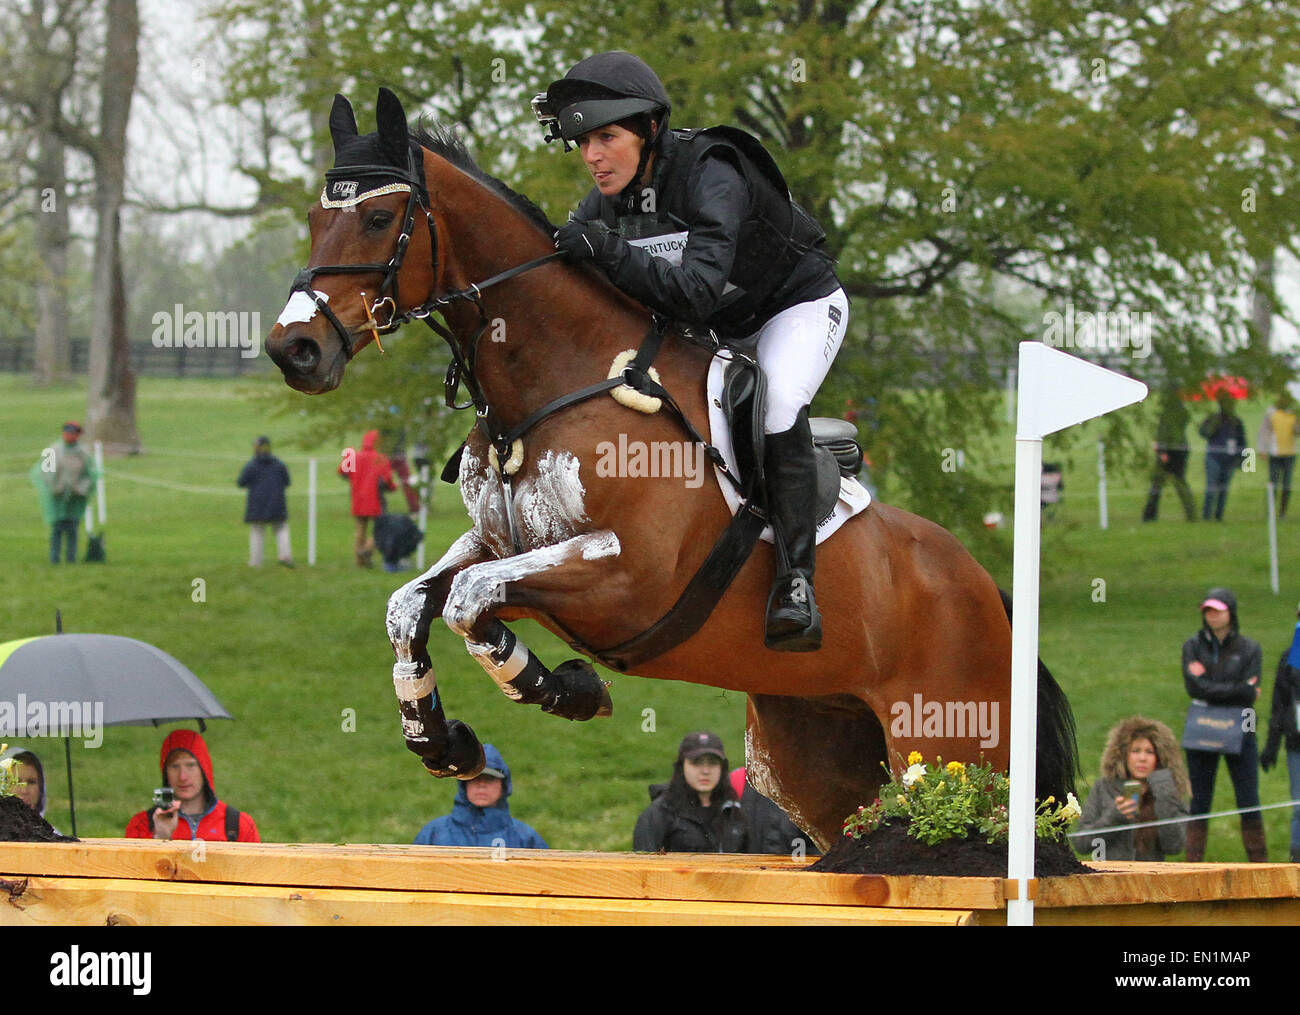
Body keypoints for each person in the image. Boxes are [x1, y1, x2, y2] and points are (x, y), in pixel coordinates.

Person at [539, 51, 847, 651]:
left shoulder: (712, 172)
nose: (593, 157)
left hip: (794, 309)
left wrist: (606, 251)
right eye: (583, 143)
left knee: (777, 402)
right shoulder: (605, 205)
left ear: (651, 130)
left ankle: (795, 584)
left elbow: (699, 295)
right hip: (718, 329)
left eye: (607, 137)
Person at [1181, 588, 1266, 861]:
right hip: (1201, 728)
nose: (1211, 615)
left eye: (1217, 610)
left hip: (1241, 728)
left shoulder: (1250, 648)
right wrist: (1238, 688)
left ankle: (1259, 864)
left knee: (1248, 797)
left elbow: (1249, 691)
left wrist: (1211, 685)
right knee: (1199, 800)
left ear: (1231, 612)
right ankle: (1192, 864)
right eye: (1207, 610)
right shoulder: (1191, 646)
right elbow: (1193, 687)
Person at [1072, 717, 1190, 861]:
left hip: (1149, 879)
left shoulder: (1170, 791)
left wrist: (1165, 800)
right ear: (1123, 755)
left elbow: (1174, 847)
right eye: (1135, 751)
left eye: (1150, 752)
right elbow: (1081, 844)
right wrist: (1114, 817)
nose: (1142, 758)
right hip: (1108, 878)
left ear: (1160, 757)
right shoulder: (1103, 787)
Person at [124, 729, 260, 842]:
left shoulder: (238, 825)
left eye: (191, 765)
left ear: (204, 769)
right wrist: (161, 837)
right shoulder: (141, 825)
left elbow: (256, 873)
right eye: (174, 767)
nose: (183, 776)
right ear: (165, 772)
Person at [413, 743, 547, 848]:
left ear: (504, 786)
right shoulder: (434, 833)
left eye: (490, 779)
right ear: (463, 785)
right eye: (474, 779)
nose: (481, 785)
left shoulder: (524, 838)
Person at [633, 731, 748, 853]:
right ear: (681, 766)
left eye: (713, 763)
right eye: (696, 763)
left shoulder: (733, 810)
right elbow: (643, 866)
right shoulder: (658, 814)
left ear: (722, 768)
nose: (705, 771)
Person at [1260, 603, 1300, 861]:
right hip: (1297, 744)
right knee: (1299, 807)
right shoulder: (1291, 657)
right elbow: (1280, 703)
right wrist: (1272, 744)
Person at [30, 421, 98, 564]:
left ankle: (71, 559)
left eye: (73, 433)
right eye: (68, 433)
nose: (70, 436)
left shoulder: (83, 453)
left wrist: (82, 488)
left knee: (72, 528)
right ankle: (54, 559)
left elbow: (91, 474)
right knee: (57, 528)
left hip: (76, 497)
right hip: (56, 496)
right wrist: (53, 487)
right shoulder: (53, 451)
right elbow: (44, 472)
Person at [728, 766, 820, 857]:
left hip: (793, 867)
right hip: (747, 867)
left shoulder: (808, 787)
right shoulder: (738, 781)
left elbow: (817, 846)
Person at [339, 429, 396, 568]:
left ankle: (360, 562)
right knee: (381, 529)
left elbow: (342, 471)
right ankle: (366, 550)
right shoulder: (380, 458)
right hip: (376, 499)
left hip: (358, 498)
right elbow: (387, 480)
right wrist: (392, 487)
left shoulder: (354, 457)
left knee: (360, 529)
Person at [236, 435, 293, 566]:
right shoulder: (279, 464)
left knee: (257, 531)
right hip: (277, 502)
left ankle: (256, 561)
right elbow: (287, 482)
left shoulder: (251, 465)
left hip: (257, 504)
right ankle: (285, 556)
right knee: (281, 528)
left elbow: (241, 482)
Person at [1142, 387, 1196, 522]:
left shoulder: (1168, 413)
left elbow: (1165, 432)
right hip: (1181, 448)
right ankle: (1191, 514)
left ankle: (1149, 515)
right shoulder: (1182, 410)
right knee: (1180, 483)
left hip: (1169, 450)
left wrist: (1161, 451)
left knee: (1157, 484)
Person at [1198, 390, 1246, 521]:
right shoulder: (1214, 419)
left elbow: (1242, 442)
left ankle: (1219, 516)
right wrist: (1214, 424)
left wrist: (1242, 460)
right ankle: (1207, 516)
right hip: (1213, 458)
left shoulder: (1236, 422)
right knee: (1211, 489)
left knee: (1224, 490)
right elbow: (1203, 433)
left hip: (1229, 460)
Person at [1256, 390, 1299, 519]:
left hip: (1289, 453)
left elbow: (1297, 432)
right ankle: (1270, 512)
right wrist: (1262, 449)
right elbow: (1263, 431)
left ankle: (1282, 512)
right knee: (1273, 484)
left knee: (1286, 485)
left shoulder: (1293, 414)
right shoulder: (1271, 413)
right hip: (1274, 453)